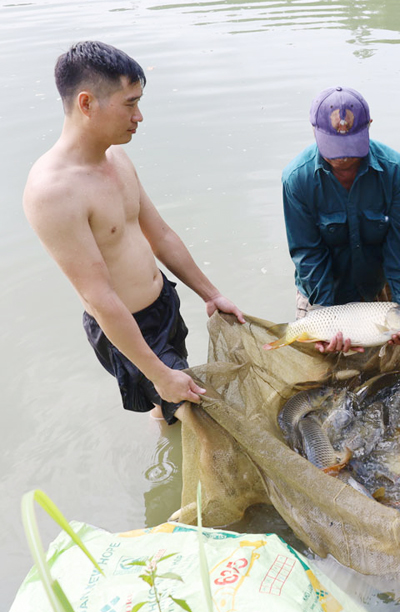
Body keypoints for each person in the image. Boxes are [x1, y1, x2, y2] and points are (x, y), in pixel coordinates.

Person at [22, 41, 245, 425]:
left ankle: (165, 431)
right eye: (129, 104)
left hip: (163, 305)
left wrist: (212, 295)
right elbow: (98, 297)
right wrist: (159, 374)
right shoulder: (53, 192)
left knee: (174, 408)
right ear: (87, 103)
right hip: (126, 330)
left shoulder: (117, 157)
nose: (139, 116)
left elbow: (160, 235)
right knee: (204, 416)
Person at [282, 86, 400, 353]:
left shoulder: (395, 170)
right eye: (334, 147)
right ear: (314, 131)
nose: (343, 157)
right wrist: (324, 321)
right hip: (318, 292)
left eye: (350, 146)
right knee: (321, 377)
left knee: (385, 373)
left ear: (369, 127)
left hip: (377, 291)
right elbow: (308, 254)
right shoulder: (297, 179)